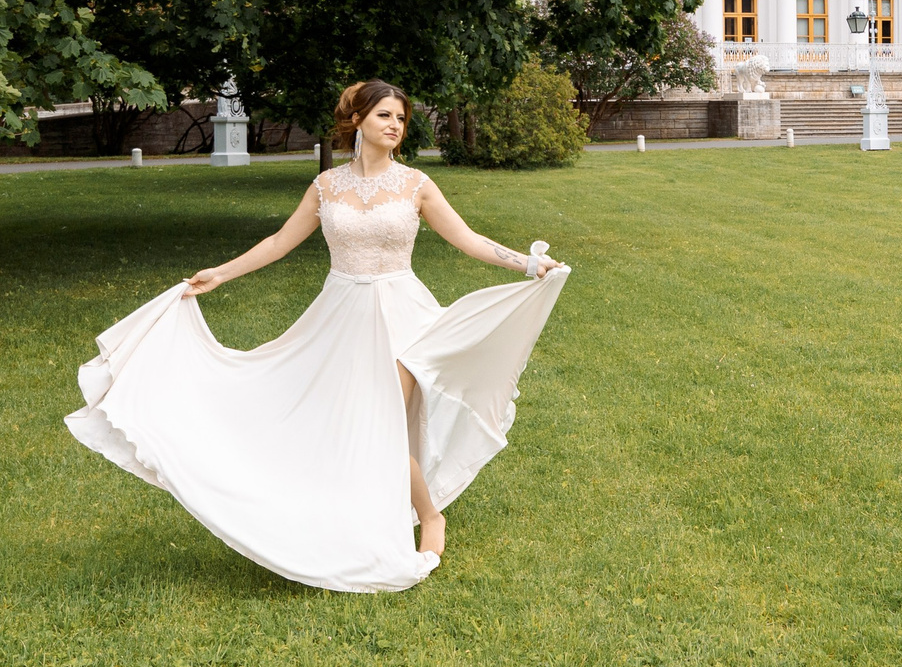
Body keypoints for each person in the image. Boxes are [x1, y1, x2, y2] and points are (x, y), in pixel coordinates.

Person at [65, 80, 569, 592]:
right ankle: (359, 511)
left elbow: (466, 238)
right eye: (385, 115)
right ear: (358, 120)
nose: (395, 125)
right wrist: (221, 272)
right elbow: (279, 242)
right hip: (341, 314)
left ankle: (428, 515)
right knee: (340, 419)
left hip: (403, 315)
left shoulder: (416, 184)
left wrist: (528, 263)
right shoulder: (326, 186)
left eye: (401, 118)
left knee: (382, 417)